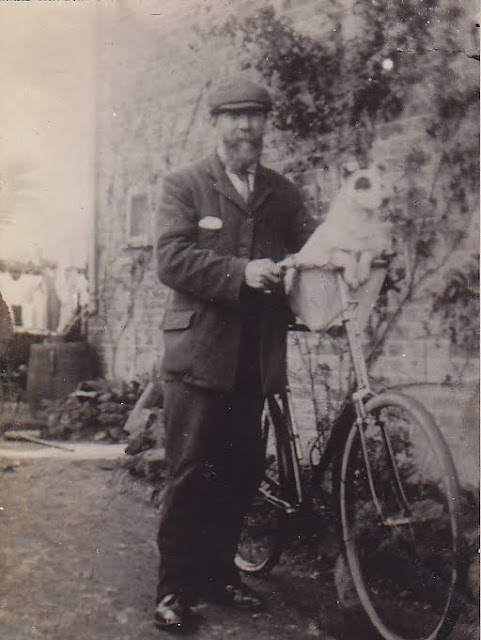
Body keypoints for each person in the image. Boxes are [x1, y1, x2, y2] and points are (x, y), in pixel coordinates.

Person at [154, 76, 317, 632]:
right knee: (190, 472)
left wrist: (354, 253)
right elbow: (171, 259)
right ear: (216, 124)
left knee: (241, 470)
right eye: (234, 116)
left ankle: (220, 574)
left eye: (255, 116)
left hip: (254, 355)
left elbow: (311, 248)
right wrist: (239, 272)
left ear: (266, 124)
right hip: (198, 353)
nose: (246, 126)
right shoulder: (184, 185)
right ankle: (174, 590)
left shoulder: (281, 193)